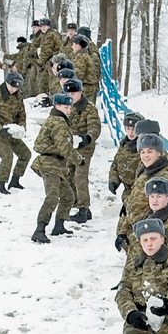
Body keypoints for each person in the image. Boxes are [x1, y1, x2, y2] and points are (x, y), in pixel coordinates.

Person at [117, 129, 168, 257]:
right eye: (142, 152)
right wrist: (123, 231)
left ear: (159, 153)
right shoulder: (145, 171)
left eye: (150, 151)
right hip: (136, 234)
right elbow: (135, 203)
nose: (145, 155)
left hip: (150, 237)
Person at [30, 92, 82, 243]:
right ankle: (39, 229)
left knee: (68, 196)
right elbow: (64, 146)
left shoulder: (56, 120)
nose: (69, 110)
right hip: (49, 164)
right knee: (52, 197)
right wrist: (78, 159)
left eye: (69, 107)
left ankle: (59, 225)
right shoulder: (58, 122)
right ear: (57, 106)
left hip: (55, 165)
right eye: (66, 107)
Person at [0, 71, 29, 194]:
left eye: (17, 87)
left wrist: (21, 128)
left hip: (12, 130)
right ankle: (1, 185)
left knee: (25, 154)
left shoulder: (18, 96)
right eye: (12, 86)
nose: (14, 89)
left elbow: (22, 115)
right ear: (6, 83)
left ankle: (15, 180)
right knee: (7, 156)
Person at [63, 77, 100, 224]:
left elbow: (95, 127)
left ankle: (84, 208)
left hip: (84, 147)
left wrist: (88, 138)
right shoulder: (65, 106)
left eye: (74, 92)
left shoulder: (89, 108)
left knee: (80, 177)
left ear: (80, 92)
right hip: (70, 146)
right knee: (69, 173)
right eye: (68, 93)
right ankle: (75, 201)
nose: (71, 95)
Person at [71, 34, 101, 102]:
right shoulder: (85, 55)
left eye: (73, 44)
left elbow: (78, 75)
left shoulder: (80, 57)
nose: (72, 46)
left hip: (86, 88)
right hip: (90, 88)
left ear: (78, 46)